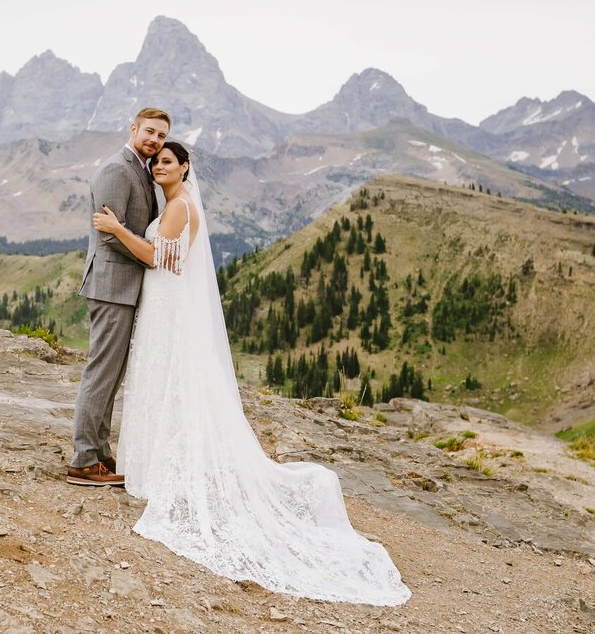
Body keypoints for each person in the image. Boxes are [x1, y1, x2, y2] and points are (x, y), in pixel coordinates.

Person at [93, 141, 411, 605]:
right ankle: (155, 465)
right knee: (163, 385)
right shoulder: (175, 204)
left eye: (168, 161)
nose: (160, 166)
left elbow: (158, 257)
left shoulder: (180, 207)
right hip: (163, 304)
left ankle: (164, 471)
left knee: (170, 384)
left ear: (184, 168)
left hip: (168, 307)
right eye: (157, 161)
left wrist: (117, 229)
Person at [68, 107, 170, 487]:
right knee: (101, 372)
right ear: (133, 128)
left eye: (161, 136)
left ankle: (99, 452)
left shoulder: (140, 170)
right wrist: (151, 255)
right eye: (150, 132)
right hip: (111, 286)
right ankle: (82, 460)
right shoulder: (116, 168)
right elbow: (110, 233)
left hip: (123, 287)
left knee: (111, 376)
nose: (155, 141)